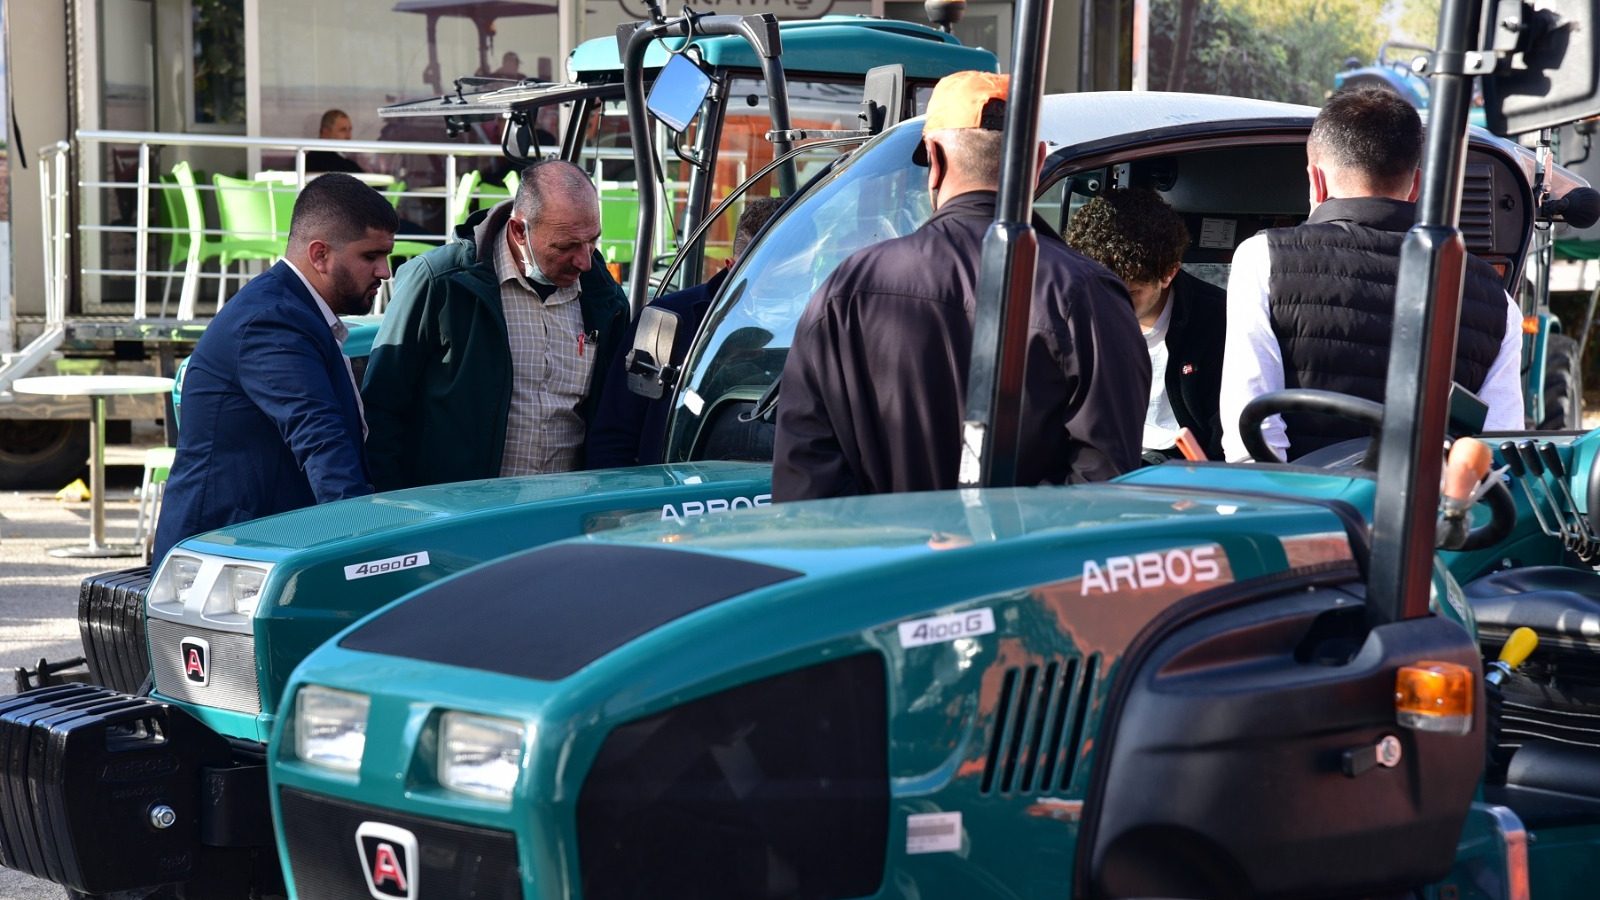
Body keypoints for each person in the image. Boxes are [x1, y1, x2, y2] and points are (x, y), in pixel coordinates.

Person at [772, 71, 1148, 501]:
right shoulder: (1086, 294)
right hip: (1021, 548)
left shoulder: (847, 291)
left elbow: (805, 483)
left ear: (935, 159)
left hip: (880, 546)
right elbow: (1102, 486)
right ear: (1038, 161)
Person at [1219, 87, 1523, 462]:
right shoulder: (1497, 299)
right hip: (1430, 500)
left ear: (1316, 180)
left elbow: (1251, 437)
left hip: (1306, 497)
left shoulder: (1261, 259)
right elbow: (1495, 449)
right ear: (1416, 186)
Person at [152, 174, 396, 562]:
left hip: (250, 549)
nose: (385, 272)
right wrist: (366, 549)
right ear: (320, 255)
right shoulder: (273, 320)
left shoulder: (292, 310)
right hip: (224, 560)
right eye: (371, 256)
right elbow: (321, 439)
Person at [362, 159, 628, 491]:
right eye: (566, 246)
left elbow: (614, 420)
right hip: (461, 513)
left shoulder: (604, 297)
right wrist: (399, 509)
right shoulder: (440, 282)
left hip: (567, 510)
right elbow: (381, 412)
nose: (584, 261)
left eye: (592, 241)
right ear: (519, 231)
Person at [587, 197, 784, 467]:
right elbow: (614, 436)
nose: (782, 288)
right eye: (767, 278)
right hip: (675, 486)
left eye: (792, 273)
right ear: (732, 268)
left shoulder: (827, 323)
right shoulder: (668, 320)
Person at [1065, 188, 1227, 461]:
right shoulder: (1075, 309)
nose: (1111, 306)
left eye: (1128, 294)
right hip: (1097, 460)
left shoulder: (1217, 321)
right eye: (1101, 291)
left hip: (1178, 467)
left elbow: (1224, 433)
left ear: (1169, 273)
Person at [306, 109, 363, 174]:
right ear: (326, 132)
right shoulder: (317, 161)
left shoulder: (306, 160)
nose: (348, 136)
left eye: (349, 130)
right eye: (343, 130)